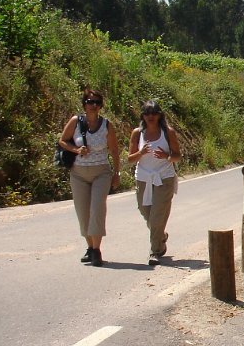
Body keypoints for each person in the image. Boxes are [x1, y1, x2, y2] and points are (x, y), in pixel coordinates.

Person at [58, 89, 120, 266]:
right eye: (90, 102)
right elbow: (62, 141)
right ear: (84, 104)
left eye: (97, 102)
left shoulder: (107, 125)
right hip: (78, 173)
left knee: (97, 209)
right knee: (83, 212)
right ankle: (90, 247)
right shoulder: (75, 121)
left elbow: (114, 150)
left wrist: (116, 173)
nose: (93, 105)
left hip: (101, 172)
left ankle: (96, 250)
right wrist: (76, 150)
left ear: (101, 106)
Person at [127, 100, 181, 266]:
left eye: (154, 113)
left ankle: (155, 251)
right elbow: (130, 159)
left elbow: (177, 156)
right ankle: (161, 236)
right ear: (142, 116)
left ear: (159, 115)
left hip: (164, 178)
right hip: (143, 178)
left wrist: (166, 156)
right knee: (146, 213)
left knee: (157, 216)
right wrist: (141, 152)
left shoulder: (168, 132)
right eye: (147, 113)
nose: (150, 116)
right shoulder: (137, 133)